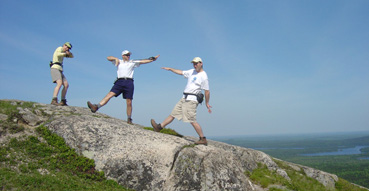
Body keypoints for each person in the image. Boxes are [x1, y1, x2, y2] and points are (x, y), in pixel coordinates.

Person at [150, 57, 212, 145]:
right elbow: (181, 72)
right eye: (193, 63)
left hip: (191, 100)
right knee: (173, 114)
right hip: (184, 98)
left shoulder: (204, 76)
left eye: (196, 63)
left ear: (201, 63)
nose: (195, 65)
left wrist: (207, 103)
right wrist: (171, 69)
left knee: (191, 120)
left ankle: (202, 138)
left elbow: (207, 91)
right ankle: (159, 127)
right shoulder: (192, 71)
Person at [87, 50, 159, 124]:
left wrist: (152, 59)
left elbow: (143, 61)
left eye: (129, 55)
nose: (128, 56)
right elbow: (108, 57)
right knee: (109, 95)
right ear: (123, 55)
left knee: (129, 102)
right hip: (119, 81)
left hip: (129, 82)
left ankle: (129, 118)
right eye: (126, 55)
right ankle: (96, 107)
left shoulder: (132, 62)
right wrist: (115, 58)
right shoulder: (119, 61)